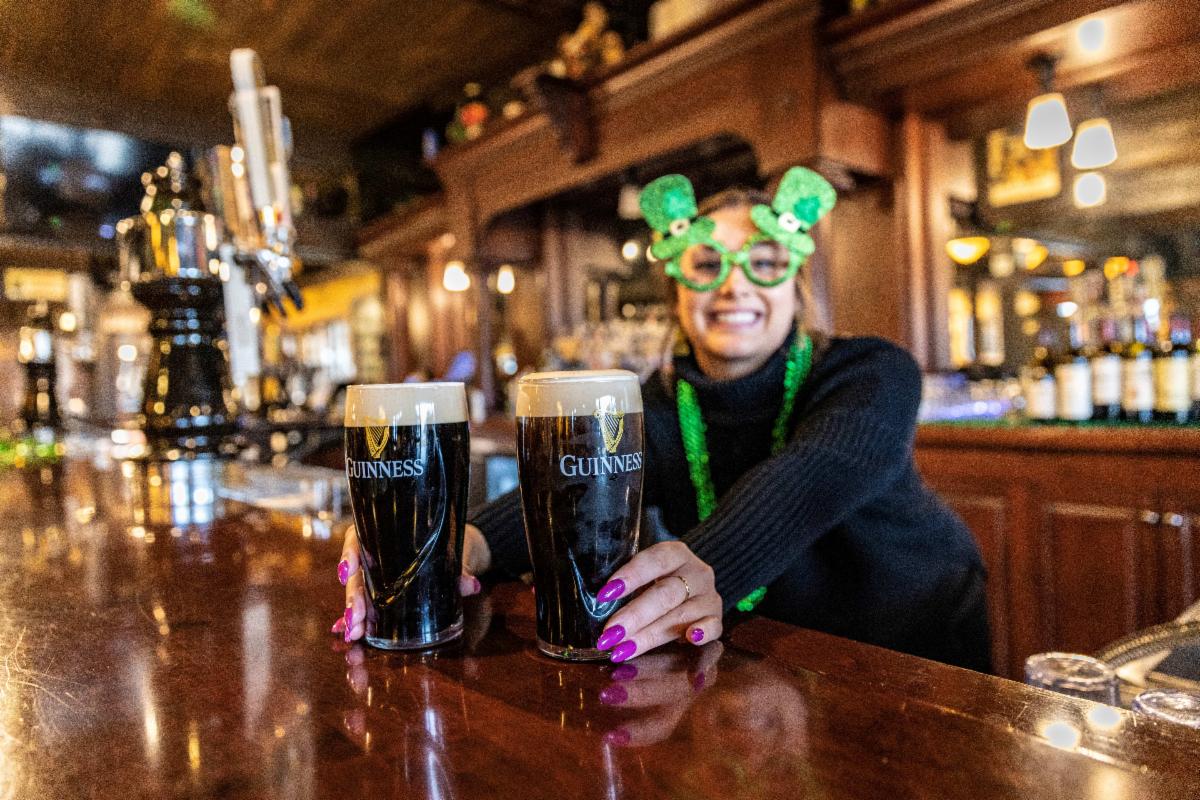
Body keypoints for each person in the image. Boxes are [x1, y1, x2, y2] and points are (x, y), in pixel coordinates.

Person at [335, 167, 990, 672]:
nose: (734, 285)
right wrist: (464, 543)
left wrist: (700, 571)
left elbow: (812, 475)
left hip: (913, 644)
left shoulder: (873, 370)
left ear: (796, 287)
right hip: (773, 658)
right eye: (707, 264)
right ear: (678, 288)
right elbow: (576, 483)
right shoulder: (653, 403)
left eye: (765, 262)